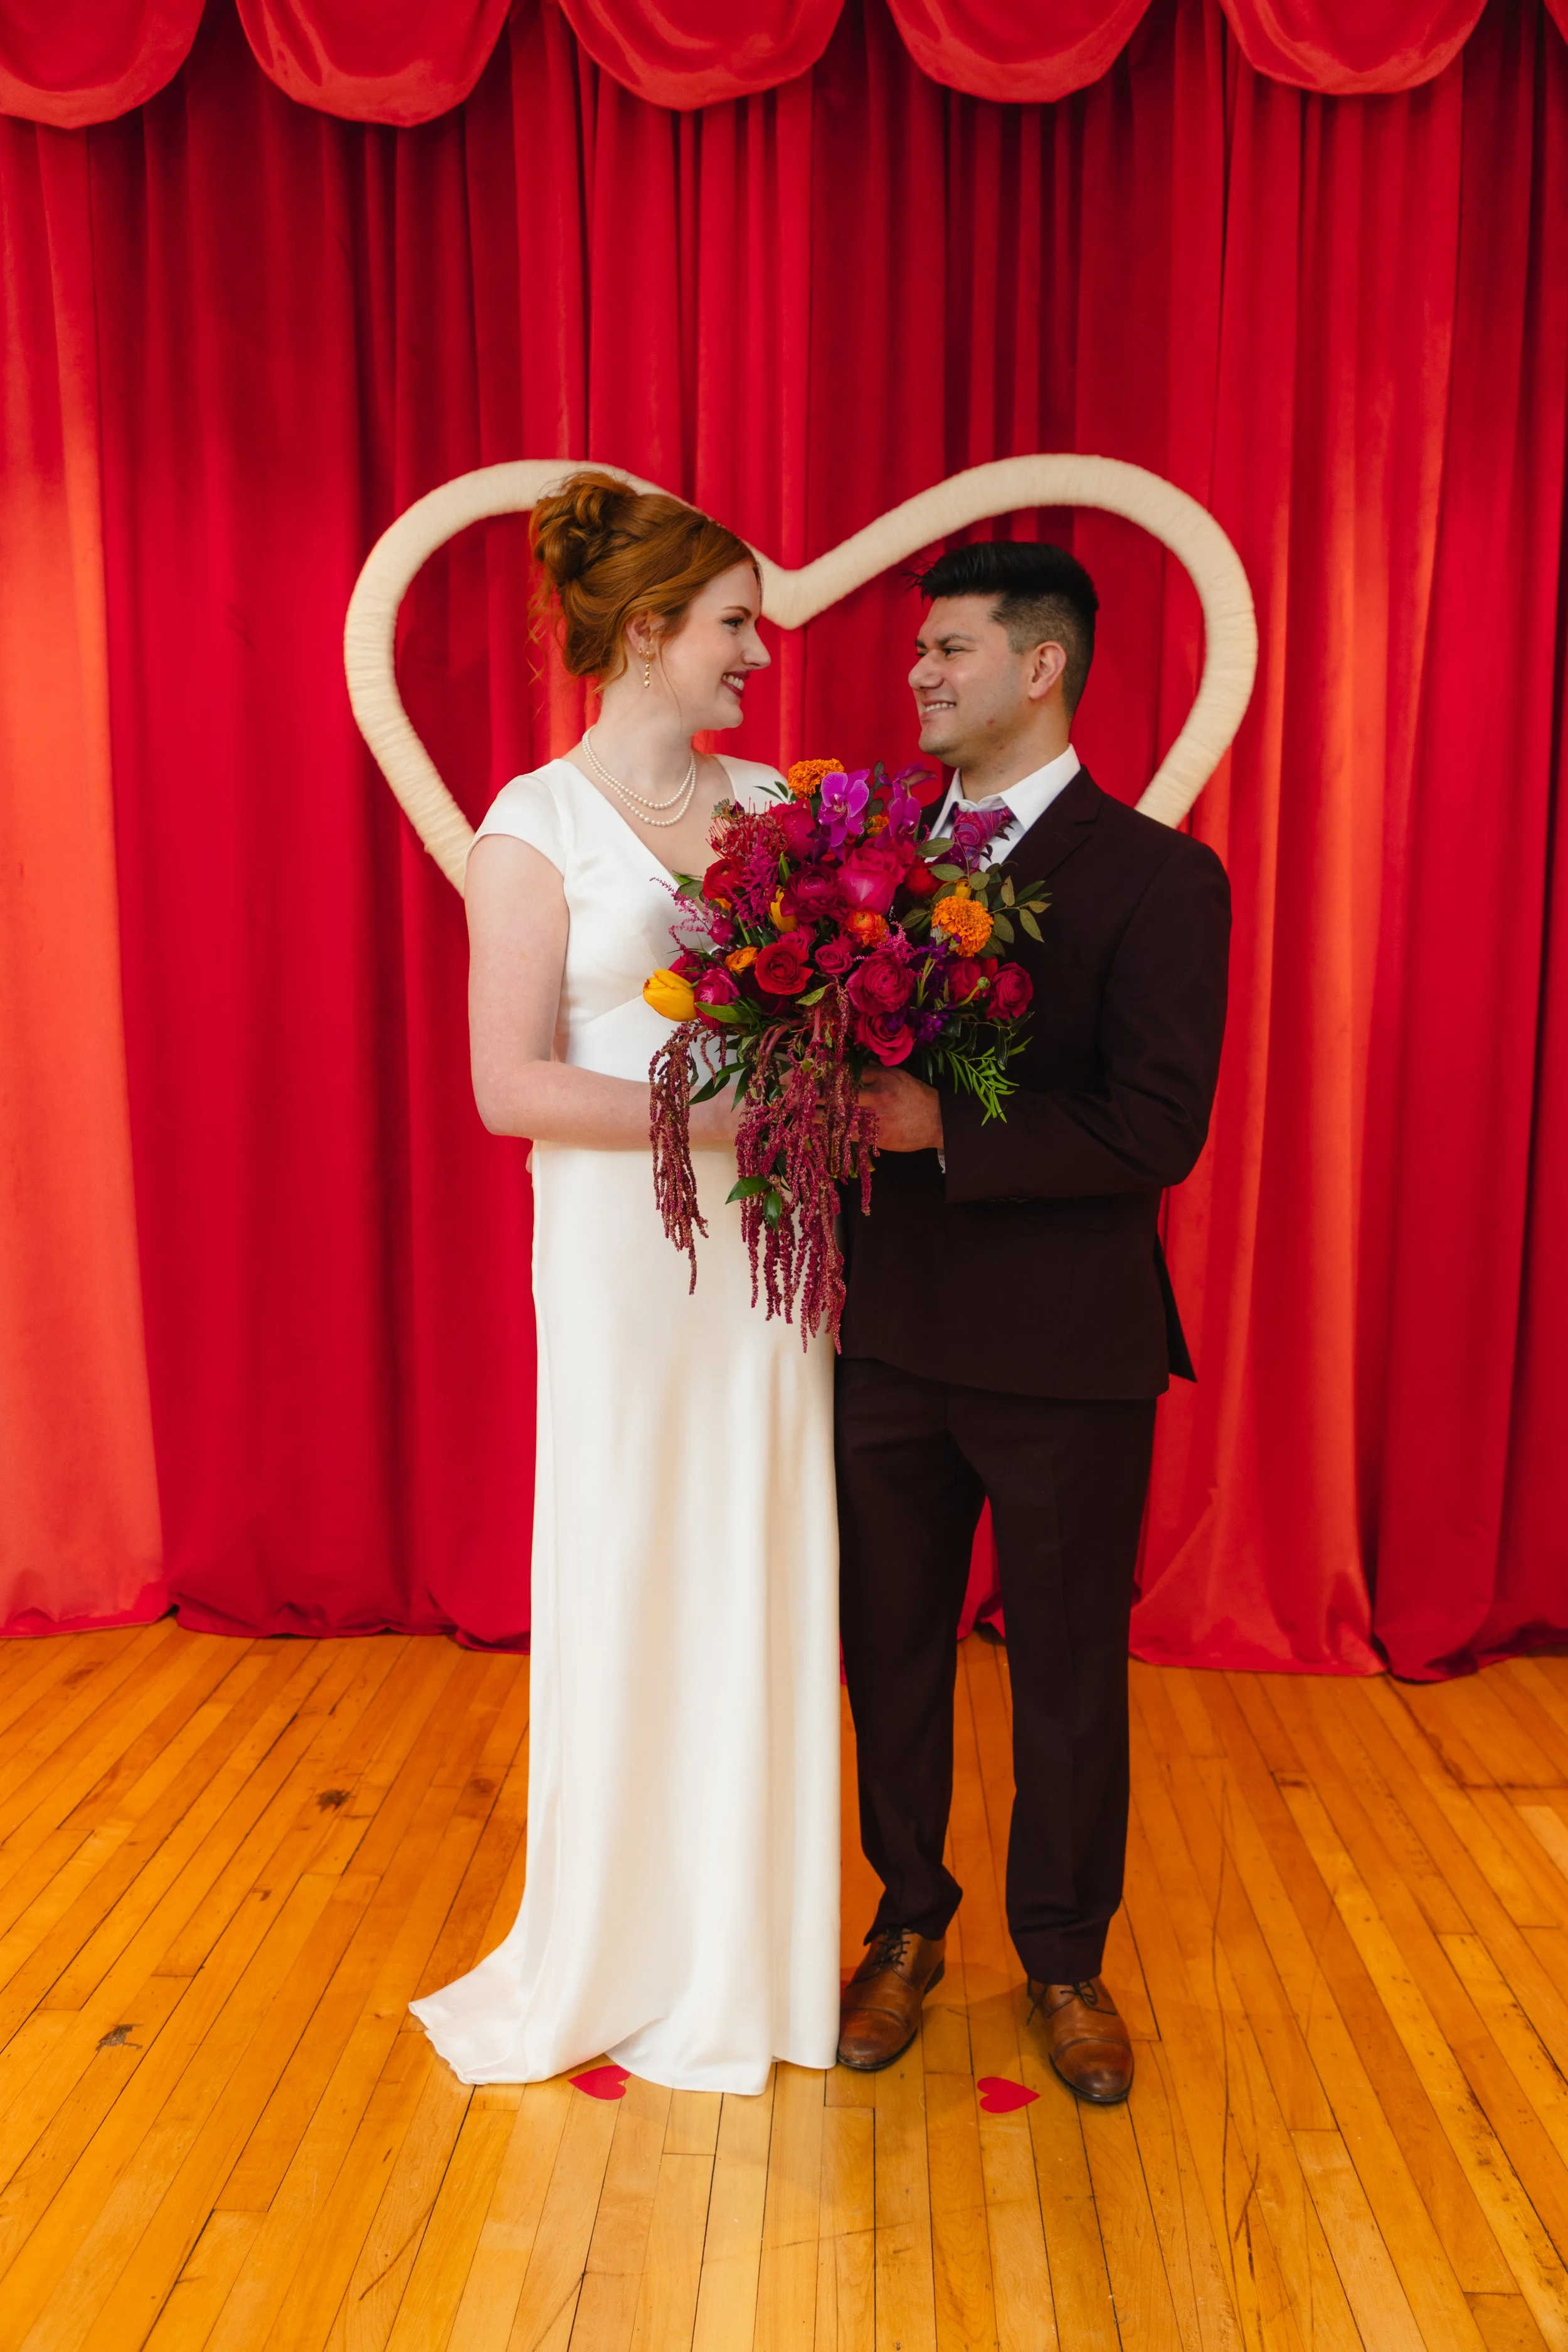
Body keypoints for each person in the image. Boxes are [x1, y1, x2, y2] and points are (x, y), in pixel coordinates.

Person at [410, 473, 840, 2095]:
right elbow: (509, 1087)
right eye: (733, 622)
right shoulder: (534, 824)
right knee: (635, 1545)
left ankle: (752, 1942)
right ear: (648, 629)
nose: (757, 651)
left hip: (768, 1263)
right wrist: (747, 1116)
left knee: (759, 1543)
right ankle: (617, 1939)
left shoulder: (764, 810)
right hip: (617, 1258)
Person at [834, 539, 1231, 2100]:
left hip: (1066, 1350)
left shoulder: (1155, 876)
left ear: (1040, 664)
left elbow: (1155, 1127)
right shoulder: (858, 861)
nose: (918, 676)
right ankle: (905, 1928)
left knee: (1066, 1667)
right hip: (879, 1334)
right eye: (918, 654)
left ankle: (1063, 1960)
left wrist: (945, 1131)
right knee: (887, 1653)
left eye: (947, 651)